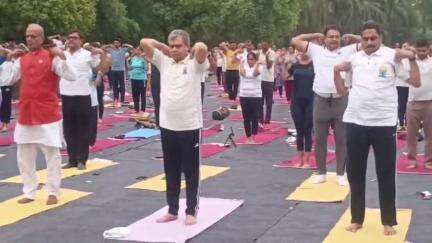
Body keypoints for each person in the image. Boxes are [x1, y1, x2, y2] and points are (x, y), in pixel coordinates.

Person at [334, 21, 420, 236]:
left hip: (383, 123)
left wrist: (413, 59)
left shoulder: (392, 56)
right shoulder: (354, 59)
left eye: (373, 38)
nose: (369, 42)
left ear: (381, 37)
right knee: (355, 173)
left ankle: (388, 221)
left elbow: (416, 82)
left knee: (385, 173)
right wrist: (336, 72)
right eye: (366, 38)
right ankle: (356, 218)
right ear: (361, 39)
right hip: (355, 122)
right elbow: (343, 92)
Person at [0, 23, 76, 205]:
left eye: (34, 36)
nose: (30, 39)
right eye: (27, 36)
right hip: (26, 113)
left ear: (42, 38)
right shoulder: (22, 59)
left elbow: (71, 76)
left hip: (47, 113)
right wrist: (10, 59)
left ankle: (53, 191)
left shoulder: (52, 57)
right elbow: (6, 80)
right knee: (24, 156)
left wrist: (63, 57)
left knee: (52, 155)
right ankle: (29, 191)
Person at [140, 29, 209, 225]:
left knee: (191, 170)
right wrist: (163, 48)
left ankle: (191, 210)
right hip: (168, 125)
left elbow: (202, 49)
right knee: (170, 169)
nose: (174, 49)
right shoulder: (164, 61)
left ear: (187, 46)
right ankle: (172, 209)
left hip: (190, 125)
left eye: (178, 46)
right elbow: (145, 41)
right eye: (172, 46)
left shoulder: (195, 64)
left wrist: (193, 49)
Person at [291, 25, 361, 186]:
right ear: (325, 38)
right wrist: (313, 33)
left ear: (340, 38)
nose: (334, 39)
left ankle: (340, 174)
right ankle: (321, 173)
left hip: (340, 100)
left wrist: (353, 35)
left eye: (337, 36)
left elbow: (368, 43)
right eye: (331, 36)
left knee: (342, 140)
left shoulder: (349, 50)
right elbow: (295, 40)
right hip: (321, 100)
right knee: (320, 140)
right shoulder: (316, 50)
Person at [60, 30, 105, 170]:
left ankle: (81, 159)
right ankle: (71, 158)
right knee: (68, 129)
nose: (71, 40)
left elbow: (100, 67)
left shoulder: (87, 55)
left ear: (81, 40)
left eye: (74, 38)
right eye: (69, 38)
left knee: (82, 128)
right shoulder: (63, 54)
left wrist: (102, 54)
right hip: (66, 94)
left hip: (82, 95)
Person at [406, 39, 432, 169]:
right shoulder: (410, 61)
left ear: (429, 49)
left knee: (430, 133)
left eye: (424, 50)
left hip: (430, 102)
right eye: (419, 50)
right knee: (411, 134)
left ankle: (429, 160)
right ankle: (412, 160)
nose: (422, 53)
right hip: (413, 102)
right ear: (415, 49)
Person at [289, 51, 315, 167]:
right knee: (299, 130)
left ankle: (307, 161)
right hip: (296, 100)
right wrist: (286, 64)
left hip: (311, 100)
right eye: (301, 50)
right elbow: (285, 76)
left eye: (306, 50)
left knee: (308, 130)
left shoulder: (315, 65)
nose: (303, 53)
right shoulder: (295, 65)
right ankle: (300, 160)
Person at [239, 52, 262, 144]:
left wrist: (257, 64)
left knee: (255, 117)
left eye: (252, 59)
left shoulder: (259, 67)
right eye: (249, 59)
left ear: (255, 60)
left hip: (255, 95)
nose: (250, 61)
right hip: (244, 95)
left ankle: (253, 136)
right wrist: (241, 62)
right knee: (246, 117)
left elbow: (255, 74)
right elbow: (243, 74)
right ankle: (248, 137)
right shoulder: (242, 67)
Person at [104, 39, 133, 108]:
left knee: (122, 85)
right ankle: (115, 99)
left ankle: (122, 100)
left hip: (121, 70)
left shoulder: (123, 50)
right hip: (113, 70)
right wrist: (109, 45)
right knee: (115, 85)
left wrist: (125, 44)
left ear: (120, 44)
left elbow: (131, 47)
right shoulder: (111, 50)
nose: (115, 44)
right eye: (114, 43)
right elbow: (103, 48)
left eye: (117, 43)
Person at [258, 41, 276, 125]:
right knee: (260, 101)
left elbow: (269, 66)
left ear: (268, 45)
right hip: (260, 79)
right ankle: (260, 118)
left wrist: (266, 56)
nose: (263, 46)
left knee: (268, 101)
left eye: (265, 45)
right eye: (262, 45)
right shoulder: (259, 53)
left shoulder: (271, 53)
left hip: (269, 80)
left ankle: (267, 119)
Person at [129, 46, 148, 115]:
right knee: (135, 94)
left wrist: (144, 62)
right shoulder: (133, 58)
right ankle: (136, 109)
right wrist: (126, 61)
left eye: (138, 50)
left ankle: (143, 109)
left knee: (142, 94)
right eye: (136, 50)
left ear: (142, 51)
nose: (137, 51)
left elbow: (146, 68)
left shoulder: (144, 58)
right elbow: (130, 67)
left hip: (142, 78)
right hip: (133, 78)